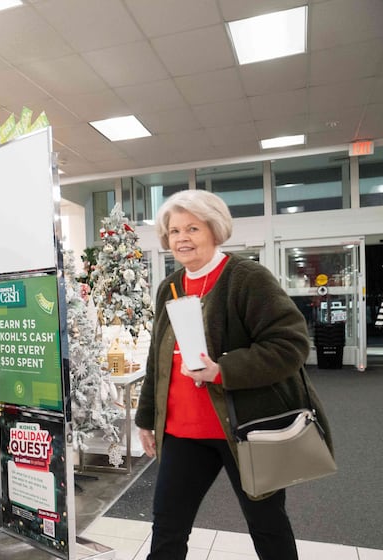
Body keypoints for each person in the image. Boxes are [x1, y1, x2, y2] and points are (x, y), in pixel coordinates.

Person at [135, 190, 332, 560]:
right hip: (182, 433)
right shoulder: (169, 287)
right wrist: (146, 418)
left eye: (192, 228)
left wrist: (223, 369)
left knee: (267, 525)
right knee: (167, 529)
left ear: (214, 229)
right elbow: (156, 362)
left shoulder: (247, 278)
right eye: (174, 230)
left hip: (245, 430)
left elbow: (291, 344)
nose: (181, 238)